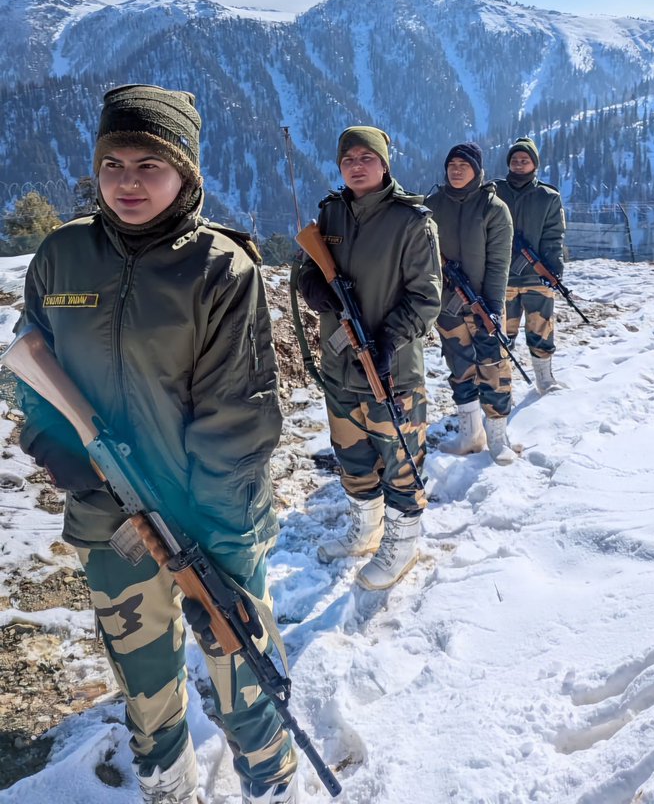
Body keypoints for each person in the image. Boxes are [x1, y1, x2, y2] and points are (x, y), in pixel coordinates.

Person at [14, 85, 298, 804]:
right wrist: (60, 450)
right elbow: (31, 365)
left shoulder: (220, 269)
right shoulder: (62, 256)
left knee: (241, 665)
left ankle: (271, 780)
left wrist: (200, 528)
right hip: (105, 515)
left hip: (213, 518)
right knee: (141, 673)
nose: (128, 182)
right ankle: (167, 780)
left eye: (150, 165)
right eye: (113, 164)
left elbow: (240, 414)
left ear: (186, 173)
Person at [297, 125, 442, 590]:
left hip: (391, 370)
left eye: (366, 158)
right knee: (352, 456)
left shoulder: (412, 221)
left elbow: (426, 299)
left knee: (401, 459)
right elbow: (308, 265)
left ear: (384, 163)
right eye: (348, 160)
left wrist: (387, 341)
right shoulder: (331, 213)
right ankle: (366, 529)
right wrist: (312, 286)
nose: (356, 167)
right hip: (340, 367)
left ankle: (403, 543)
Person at [425, 142, 516, 465]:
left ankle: (498, 438)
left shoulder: (494, 208)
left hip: (484, 303)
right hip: (447, 304)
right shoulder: (432, 205)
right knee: (460, 367)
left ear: (477, 170)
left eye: (464, 165)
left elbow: (499, 264)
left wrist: (491, 307)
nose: (456, 170)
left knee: (493, 368)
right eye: (452, 164)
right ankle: (470, 435)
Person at [494, 136, 566, 394]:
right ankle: (501, 386)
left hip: (537, 276)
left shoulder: (548, 196)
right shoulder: (494, 192)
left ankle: (544, 380)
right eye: (514, 159)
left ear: (535, 164)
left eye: (525, 160)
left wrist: (553, 270)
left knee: (542, 329)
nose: (519, 163)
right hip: (501, 278)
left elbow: (554, 235)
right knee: (502, 335)